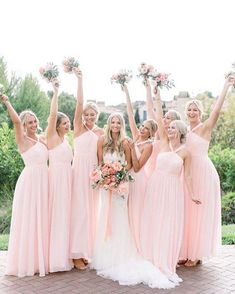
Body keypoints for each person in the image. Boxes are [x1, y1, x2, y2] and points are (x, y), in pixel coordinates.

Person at [91, 113, 176, 289]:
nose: (115, 125)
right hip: (106, 187)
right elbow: (99, 163)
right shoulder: (101, 141)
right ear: (108, 124)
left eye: (118, 122)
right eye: (112, 122)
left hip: (120, 186)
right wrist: (104, 177)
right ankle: (104, 255)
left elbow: (130, 165)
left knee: (120, 218)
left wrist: (118, 176)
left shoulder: (127, 142)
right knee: (104, 215)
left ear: (122, 125)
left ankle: (121, 254)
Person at [140, 87, 201, 283]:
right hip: (156, 186)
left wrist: (192, 194)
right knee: (154, 220)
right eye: (170, 127)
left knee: (168, 223)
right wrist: (157, 95)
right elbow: (158, 118)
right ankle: (150, 255)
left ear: (181, 131)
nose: (170, 129)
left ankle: (165, 258)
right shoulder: (164, 143)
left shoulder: (186, 153)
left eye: (174, 127)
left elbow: (189, 176)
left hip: (173, 190)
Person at [179, 76, 235, 267]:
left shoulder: (205, 127)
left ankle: (196, 254)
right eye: (189, 109)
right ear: (185, 112)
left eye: (195, 109)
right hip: (186, 174)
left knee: (199, 212)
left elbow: (217, 110)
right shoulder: (183, 130)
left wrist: (226, 87)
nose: (192, 112)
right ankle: (186, 251)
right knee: (186, 212)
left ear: (200, 113)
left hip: (203, 172)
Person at [1, 95, 49, 277]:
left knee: (42, 219)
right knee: (29, 220)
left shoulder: (43, 139)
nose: (33, 124)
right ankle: (27, 261)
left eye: (35, 121)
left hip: (45, 181)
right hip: (30, 182)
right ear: (24, 125)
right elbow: (14, 121)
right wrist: (6, 101)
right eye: (29, 122)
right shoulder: (22, 140)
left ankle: (41, 259)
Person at [70, 68, 103, 270]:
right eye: (87, 114)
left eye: (93, 114)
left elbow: (100, 156)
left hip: (93, 174)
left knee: (92, 212)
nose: (89, 116)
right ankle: (75, 254)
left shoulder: (100, 132)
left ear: (97, 116)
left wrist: (101, 175)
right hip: (78, 171)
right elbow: (79, 103)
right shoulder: (78, 127)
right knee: (80, 212)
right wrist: (80, 80)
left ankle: (86, 251)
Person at [121, 84, 157, 252]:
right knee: (127, 212)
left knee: (136, 212)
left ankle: (138, 247)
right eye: (142, 126)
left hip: (139, 180)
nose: (142, 129)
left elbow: (136, 167)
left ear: (151, 133)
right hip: (128, 180)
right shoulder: (136, 137)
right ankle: (128, 244)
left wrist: (131, 150)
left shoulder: (149, 146)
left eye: (146, 129)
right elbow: (129, 115)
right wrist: (127, 91)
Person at [46, 79, 73, 272]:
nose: (67, 125)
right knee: (57, 215)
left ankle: (64, 255)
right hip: (56, 180)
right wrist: (55, 93)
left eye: (68, 122)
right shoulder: (52, 137)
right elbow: (52, 113)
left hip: (67, 180)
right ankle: (54, 258)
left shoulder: (65, 139)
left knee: (65, 216)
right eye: (64, 123)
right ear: (56, 125)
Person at [144, 80, 181, 178]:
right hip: (151, 167)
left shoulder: (175, 138)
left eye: (168, 118)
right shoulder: (158, 131)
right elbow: (150, 109)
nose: (164, 119)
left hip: (166, 171)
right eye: (164, 117)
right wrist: (148, 88)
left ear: (175, 122)